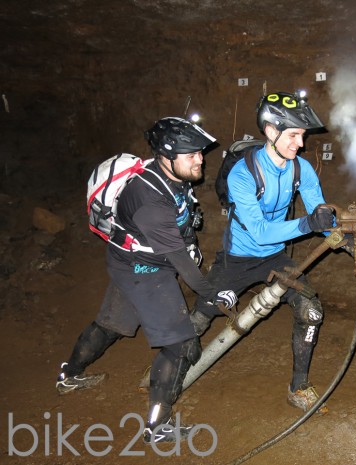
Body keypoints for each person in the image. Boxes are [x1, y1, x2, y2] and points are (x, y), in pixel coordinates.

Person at [56, 117, 238, 443]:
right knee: (180, 346)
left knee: (111, 325)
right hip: (144, 270)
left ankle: (68, 375)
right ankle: (158, 427)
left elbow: (182, 225)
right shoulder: (149, 201)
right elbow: (183, 266)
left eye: (199, 152)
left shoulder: (170, 177)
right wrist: (215, 292)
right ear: (167, 157)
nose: (201, 159)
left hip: (129, 260)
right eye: (191, 154)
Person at [190, 91, 339, 413]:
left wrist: (346, 232)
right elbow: (259, 232)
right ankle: (169, 372)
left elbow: (320, 215)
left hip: (274, 258)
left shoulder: (301, 168)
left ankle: (298, 387)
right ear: (271, 131)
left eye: (303, 135)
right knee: (201, 318)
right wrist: (307, 224)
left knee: (310, 311)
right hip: (238, 257)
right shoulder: (242, 174)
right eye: (294, 135)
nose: (301, 144)